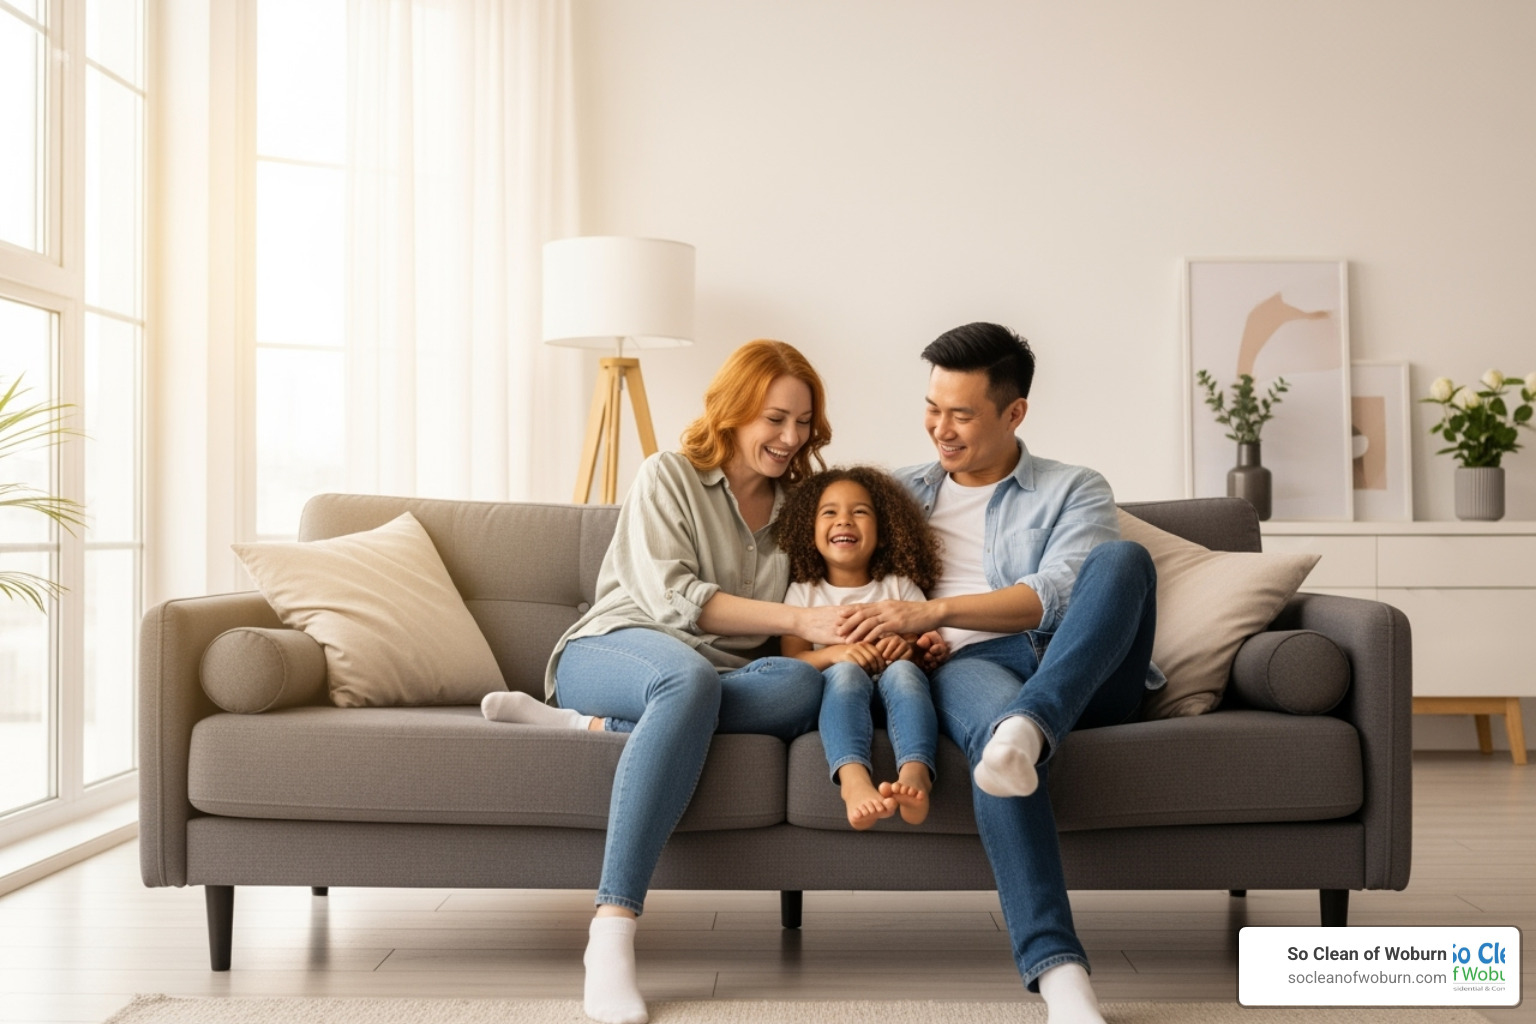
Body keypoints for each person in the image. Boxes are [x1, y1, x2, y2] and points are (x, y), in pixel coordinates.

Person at [480, 339, 845, 1024]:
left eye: (803, 423)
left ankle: (591, 731)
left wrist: (852, 634)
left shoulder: (804, 505)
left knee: (800, 688)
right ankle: (612, 929)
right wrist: (806, 622)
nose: (791, 438)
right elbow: (681, 598)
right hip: (618, 648)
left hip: (716, 678)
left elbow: (805, 628)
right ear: (734, 411)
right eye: (775, 419)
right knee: (686, 681)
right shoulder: (667, 475)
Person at [834, 323, 1161, 1024]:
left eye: (961, 414)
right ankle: (1061, 975)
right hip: (968, 665)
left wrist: (933, 613)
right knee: (999, 749)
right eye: (932, 407)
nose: (940, 430)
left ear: (1014, 414)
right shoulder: (892, 493)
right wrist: (898, 638)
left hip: (1083, 664)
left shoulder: (1074, 488)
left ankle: (1031, 723)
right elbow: (840, 578)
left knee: (1122, 562)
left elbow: (1062, 593)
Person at [773, 466, 948, 830]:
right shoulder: (804, 591)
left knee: (903, 672)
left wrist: (908, 648)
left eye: (860, 512)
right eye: (830, 512)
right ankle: (853, 782)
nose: (844, 521)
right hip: (842, 698)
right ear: (811, 532)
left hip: (898, 698)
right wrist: (836, 654)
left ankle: (916, 774)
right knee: (846, 674)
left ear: (884, 534)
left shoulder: (899, 586)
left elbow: (925, 643)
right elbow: (793, 659)